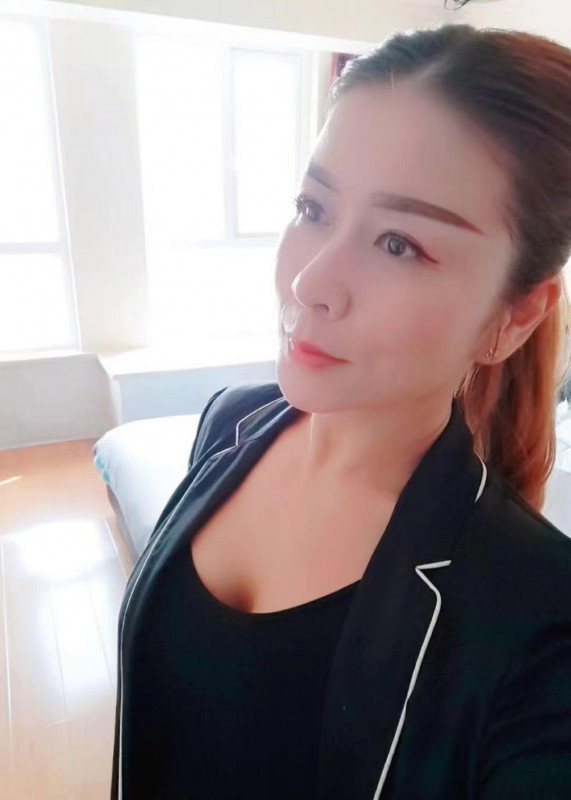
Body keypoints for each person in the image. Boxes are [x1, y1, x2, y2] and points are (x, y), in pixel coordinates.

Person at [111, 22, 571, 800]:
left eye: (398, 244)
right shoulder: (228, 425)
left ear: (516, 315)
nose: (309, 283)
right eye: (312, 207)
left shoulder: (539, 623)